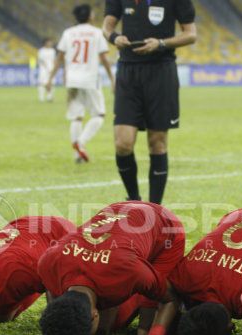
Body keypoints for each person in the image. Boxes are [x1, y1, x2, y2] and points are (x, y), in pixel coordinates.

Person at [37, 201, 185, 335]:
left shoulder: (128, 270)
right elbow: (51, 290)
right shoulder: (48, 263)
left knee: (143, 332)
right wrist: (56, 333)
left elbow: (169, 299)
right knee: (105, 328)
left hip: (165, 226)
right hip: (118, 215)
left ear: (95, 314)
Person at [103, 0, 197, 204]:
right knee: (122, 144)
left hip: (161, 71)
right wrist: (115, 37)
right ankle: (134, 202)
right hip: (128, 71)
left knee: (157, 143)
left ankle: (155, 209)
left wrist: (161, 43)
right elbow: (107, 26)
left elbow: (191, 34)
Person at [47, 4, 115, 163]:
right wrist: (112, 79)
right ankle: (81, 143)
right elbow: (104, 59)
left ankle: (78, 155)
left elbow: (59, 58)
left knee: (76, 117)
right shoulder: (97, 33)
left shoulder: (68, 33)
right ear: (90, 16)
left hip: (72, 79)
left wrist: (50, 79)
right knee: (99, 115)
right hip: (90, 79)